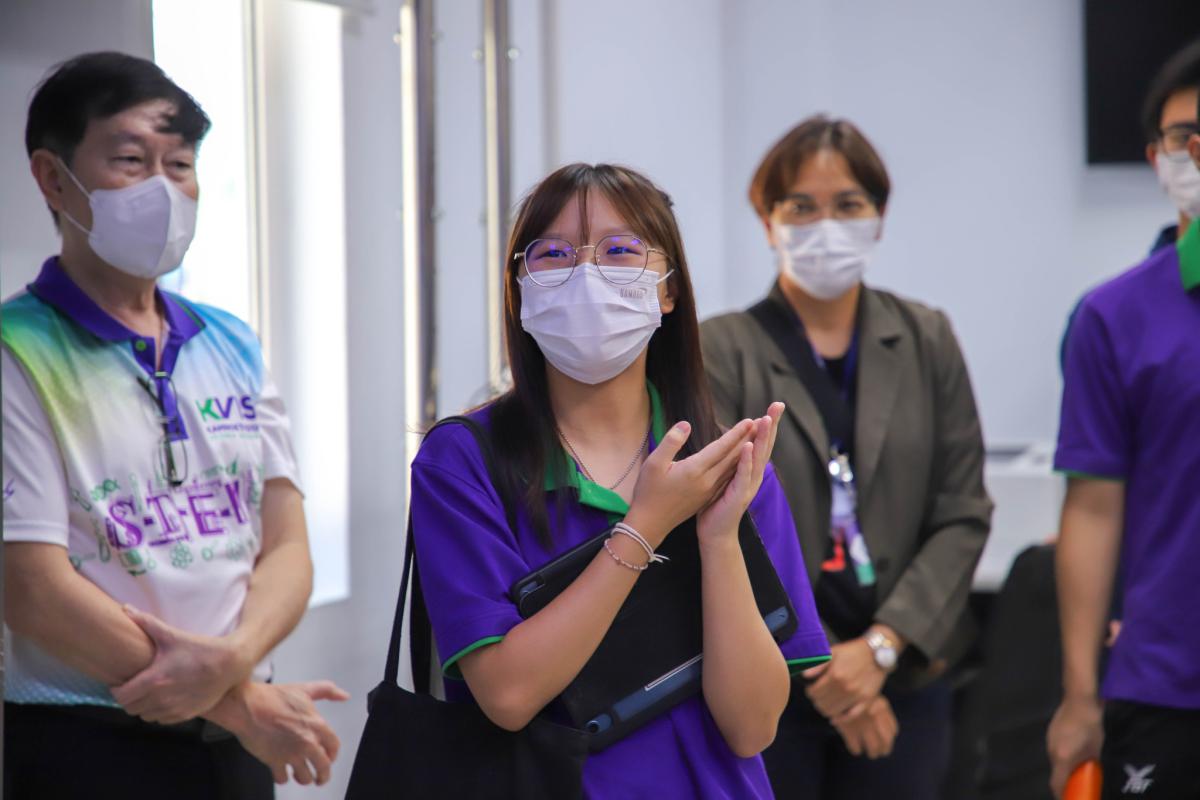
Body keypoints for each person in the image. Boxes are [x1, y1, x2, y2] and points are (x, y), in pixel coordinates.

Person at [409, 162, 832, 798]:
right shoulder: (464, 461)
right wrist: (646, 525)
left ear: (668, 290)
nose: (586, 274)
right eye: (553, 254)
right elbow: (509, 695)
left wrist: (719, 539)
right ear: (521, 292)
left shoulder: (729, 466)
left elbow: (751, 728)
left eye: (620, 250)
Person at [3, 52, 347, 798]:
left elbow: (288, 546)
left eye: (181, 164)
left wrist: (236, 666)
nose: (163, 188)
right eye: (131, 160)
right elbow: (30, 588)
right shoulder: (17, 350)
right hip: (88, 747)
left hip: (233, 744)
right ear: (53, 178)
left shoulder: (231, 342)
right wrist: (242, 704)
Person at [701, 116, 993, 799]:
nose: (825, 225)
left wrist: (882, 649)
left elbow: (962, 511)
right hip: (770, 683)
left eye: (848, 204)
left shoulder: (926, 337)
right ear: (768, 222)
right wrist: (828, 667)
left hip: (907, 675)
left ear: (878, 218)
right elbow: (721, 524)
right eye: (800, 206)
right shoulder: (721, 349)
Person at [1044, 99, 1200, 800]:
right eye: (1185, 135)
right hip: (1165, 682)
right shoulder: (1112, 315)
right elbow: (1093, 505)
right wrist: (1081, 695)